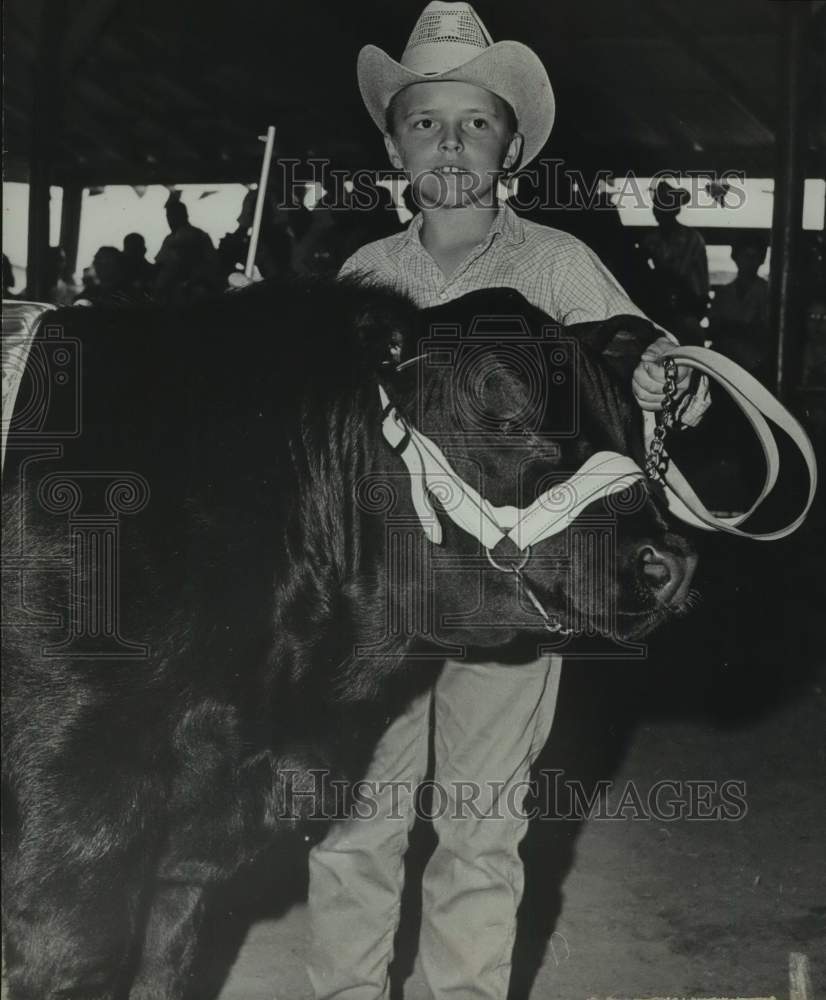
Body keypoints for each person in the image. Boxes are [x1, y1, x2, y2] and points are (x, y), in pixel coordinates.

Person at [306, 5, 708, 999]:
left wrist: (667, 382)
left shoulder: (557, 267)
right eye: (426, 122)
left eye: (474, 122)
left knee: (480, 828)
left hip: (511, 602)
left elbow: (645, 368)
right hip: (384, 599)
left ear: (511, 143)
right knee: (357, 826)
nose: (450, 143)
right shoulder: (365, 277)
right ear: (394, 143)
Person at [640, 179, 709, 340]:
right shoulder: (650, 239)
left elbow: (679, 277)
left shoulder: (692, 239)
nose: (659, 211)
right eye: (657, 206)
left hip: (688, 306)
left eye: (665, 206)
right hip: (660, 306)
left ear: (675, 210)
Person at [708, 232, 771, 376]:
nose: (750, 262)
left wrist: (729, 326)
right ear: (735, 257)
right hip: (725, 358)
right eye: (745, 256)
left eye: (754, 257)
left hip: (755, 360)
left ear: (761, 260)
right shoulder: (724, 292)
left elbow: (764, 332)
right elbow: (713, 329)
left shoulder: (767, 293)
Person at [153, 195, 221, 304]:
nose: (169, 220)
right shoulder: (170, 238)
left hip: (188, 291)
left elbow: (183, 264)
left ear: (184, 215)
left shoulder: (194, 235)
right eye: (168, 216)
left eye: (173, 216)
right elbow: (160, 262)